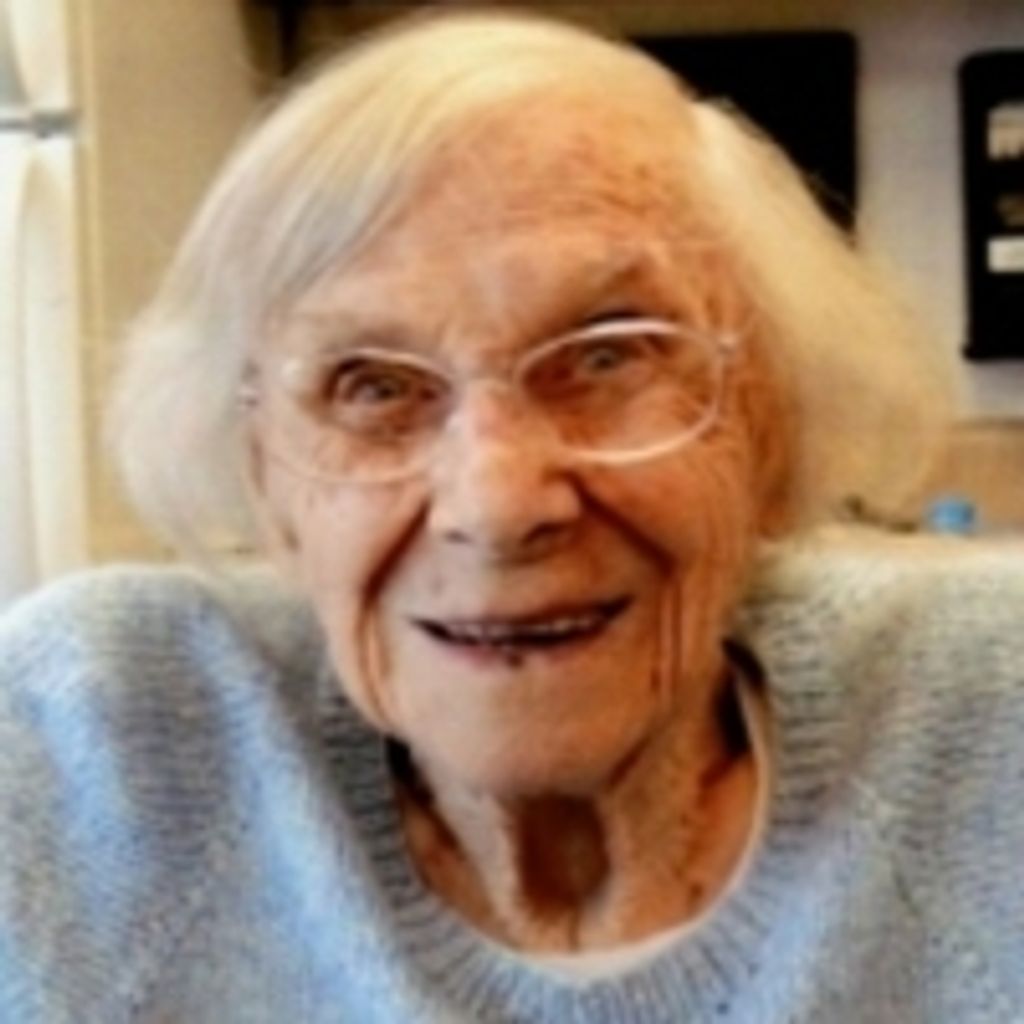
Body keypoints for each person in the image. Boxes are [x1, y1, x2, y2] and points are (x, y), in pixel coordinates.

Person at [1, 9, 1021, 1023]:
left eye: (607, 355)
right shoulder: (90, 747)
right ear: (264, 477)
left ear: (772, 421)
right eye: (372, 387)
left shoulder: (991, 717)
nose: (496, 504)